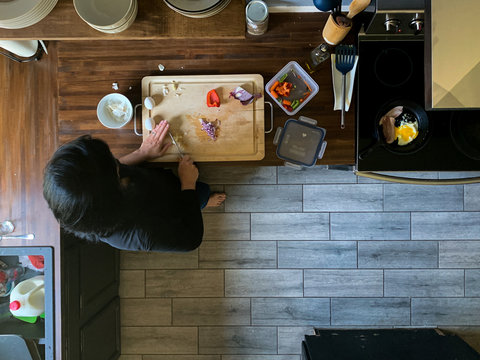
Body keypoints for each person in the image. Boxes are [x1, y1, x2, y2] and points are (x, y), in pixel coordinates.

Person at [43, 120, 226, 252]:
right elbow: (191, 239)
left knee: (188, 187)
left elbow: (113, 168)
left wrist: (142, 153)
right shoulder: (140, 234)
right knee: (199, 196)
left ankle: (198, 195)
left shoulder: (98, 183)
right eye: (115, 168)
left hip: (160, 184)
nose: (118, 164)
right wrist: (188, 184)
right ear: (115, 192)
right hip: (174, 210)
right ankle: (204, 201)